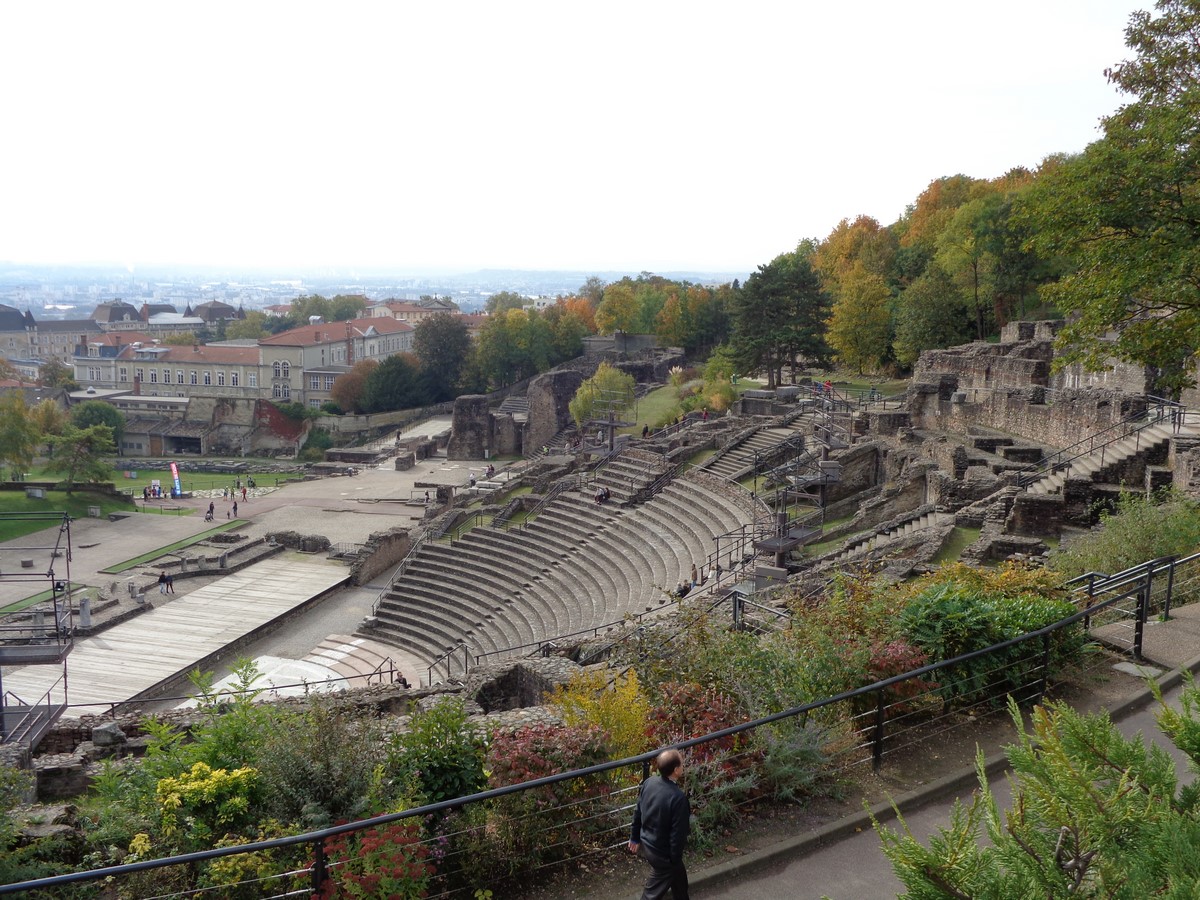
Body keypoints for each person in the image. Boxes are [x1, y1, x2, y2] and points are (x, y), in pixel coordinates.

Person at [629, 748, 690, 899]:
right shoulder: (678, 798)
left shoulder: (649, 783)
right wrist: (673, 861)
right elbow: (678, 835)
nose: (684, 765)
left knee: (680, 881)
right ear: (676, 770)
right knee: (651, 894)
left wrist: (634, 837)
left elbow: (638, 812)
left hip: (647, 844)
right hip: (663, 856)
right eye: (682, 764)